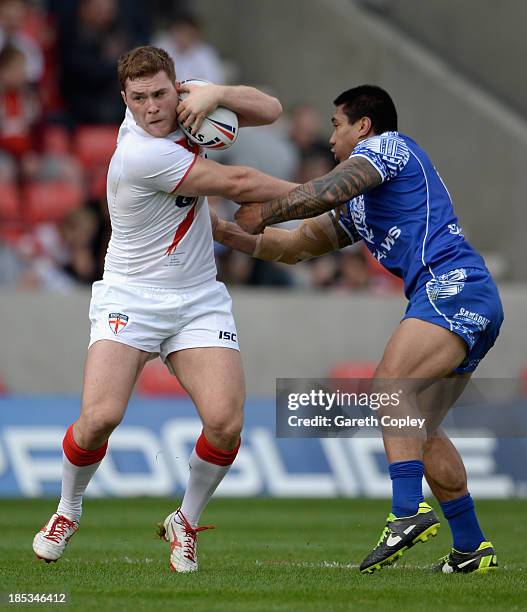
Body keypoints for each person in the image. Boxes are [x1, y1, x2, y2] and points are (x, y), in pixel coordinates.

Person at [216, 85, 503, 574]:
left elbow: (325, 191)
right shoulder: (362, 206)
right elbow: (296, 248)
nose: (331, 137)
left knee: (389, 386)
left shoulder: (388, 147)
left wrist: (263, 210)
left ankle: (406, 514)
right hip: (468, 297)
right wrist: (222, 234)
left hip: (450, 285)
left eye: (336, 124)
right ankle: (472, 547)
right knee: (421, 430)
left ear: (363, 126)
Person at [32, 45, 297, 573]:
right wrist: (331, 194)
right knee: (99, 418)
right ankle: (67, 509)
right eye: (137, 98)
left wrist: (217, 93)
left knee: (225, 423)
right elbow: (239, 185)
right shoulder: (139, 154)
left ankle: (185, 521)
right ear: (123, 99)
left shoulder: (190, 103)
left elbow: (271, 111)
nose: (151, 108)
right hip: (131, 296)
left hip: (198, 297)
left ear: (175, 87)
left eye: (159, 94)